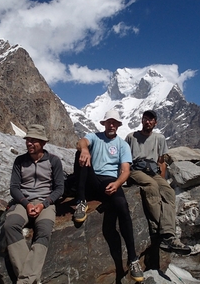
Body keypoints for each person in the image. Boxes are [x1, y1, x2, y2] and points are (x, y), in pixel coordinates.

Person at [72, 110, 144, 282]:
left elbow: (126, 170)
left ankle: (133, 259)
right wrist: (84, 149)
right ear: (104, 123)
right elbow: (81, 141)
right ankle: (81, 201)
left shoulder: (122, 145)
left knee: (123, 208)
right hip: (92, 178)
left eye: (115, 123)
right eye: (109, 122)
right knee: (80, 154)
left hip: (110, 182)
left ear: (118, 125)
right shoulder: (95, 137)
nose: (111, 125)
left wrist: (118, 184)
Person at [4, 124, 64, 284]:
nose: (29, 143)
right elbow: (14, 188)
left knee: (44, 230)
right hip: (23, 202)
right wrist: (27, 204)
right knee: (10, 225)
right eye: (28, 140)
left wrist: (44, 204)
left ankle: (25, 280)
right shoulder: (20, 161)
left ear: (43, 143)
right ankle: (30, 279)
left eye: (34, 141)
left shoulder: (54, 161)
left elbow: (59, 188)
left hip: (46, 204)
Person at [125, 110, 191, 253]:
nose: (147, 121)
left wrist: (162, 179)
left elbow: (161, 161)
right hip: (135, 170)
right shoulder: (131, 137)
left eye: (151, 119)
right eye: (145, 119)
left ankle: (168, 234)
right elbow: (124, 158)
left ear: (155, 122)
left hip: (152, 171)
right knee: (151, 186)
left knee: (168, 191)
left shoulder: (159, 138)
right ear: (141, 121)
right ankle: (163, 230)